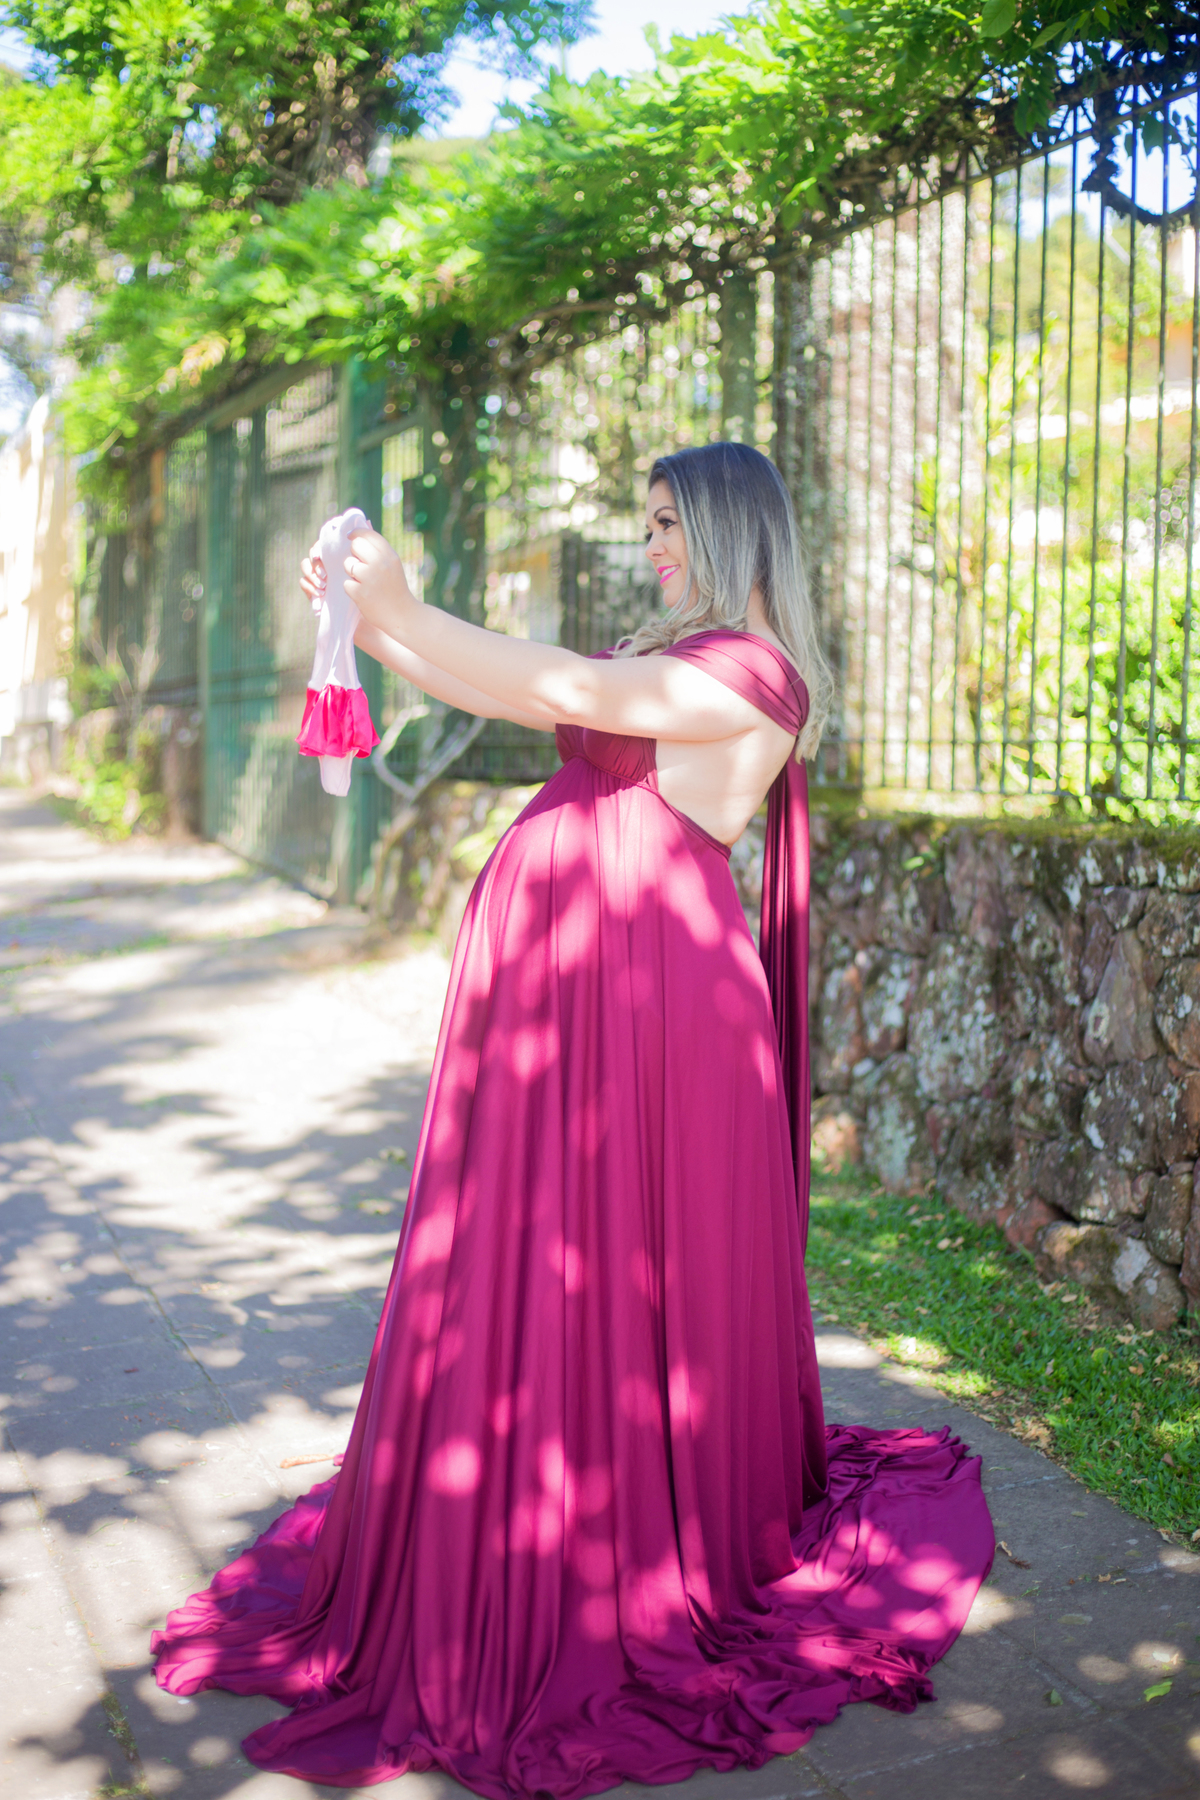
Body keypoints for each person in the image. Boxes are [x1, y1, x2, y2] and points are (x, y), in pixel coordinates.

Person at [152, 442, 994, 1798]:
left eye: (670, 524)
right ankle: (530, 1474)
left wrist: (405, 602)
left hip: (649, 1003)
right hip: (575, 995)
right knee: (527, 1253)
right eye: (649, 521)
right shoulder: (677, 654)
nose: (652, 542)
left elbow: (577, 691)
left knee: (619, 1258)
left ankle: (615, 1527)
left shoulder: (752, 671)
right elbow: (504, 689)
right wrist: (369, 624)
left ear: (731, 533)